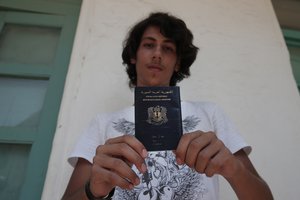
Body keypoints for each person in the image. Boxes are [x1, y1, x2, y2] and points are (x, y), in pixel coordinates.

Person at [62, 12, 273, 200]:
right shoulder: (103, 123)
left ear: (178, 62)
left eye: (168, 48)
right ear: (134, 56)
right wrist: (93, 191)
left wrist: (234, 169)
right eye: (148, 44)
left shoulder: (210, 113)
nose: (157, 54)